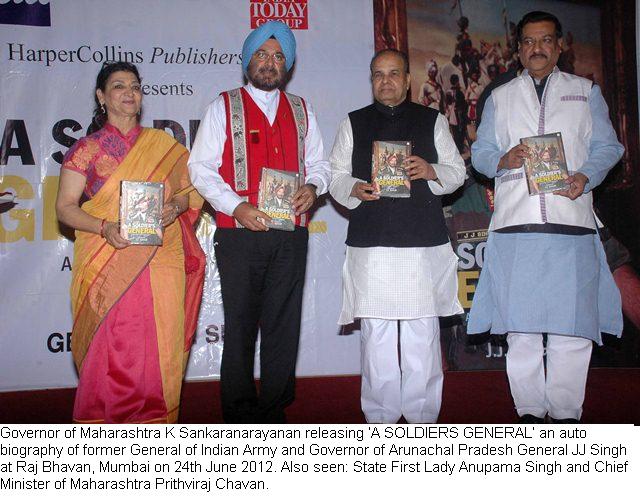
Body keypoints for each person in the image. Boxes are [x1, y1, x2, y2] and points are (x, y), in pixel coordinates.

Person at [468, 11, 624, 423]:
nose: (536, 48)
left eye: (545, 41)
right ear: (518, 49)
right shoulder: (499, 97)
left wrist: (585, 176)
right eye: (528, 42)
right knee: (520, 330)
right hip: (515, 226)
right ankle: (530, 415)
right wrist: (503, 158)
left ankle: (567, 416)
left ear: (559, 46)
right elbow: (481, 153)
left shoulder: (585, 91)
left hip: (570, 224)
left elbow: (609, 148)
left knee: (571, 329)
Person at [188, 21, 331, 423]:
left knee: (283, 325)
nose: (269, 62)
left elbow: (320, 164)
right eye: (262, 54)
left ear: (288, 65)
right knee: (241, 325)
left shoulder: (303, 109)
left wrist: (314, 187)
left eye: (278, 56)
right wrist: (236, 207)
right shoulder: (223, 105)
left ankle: (273, 410)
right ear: (248, 60)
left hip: (290, 236)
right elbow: (200, 169)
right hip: (239, 235)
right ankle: (237, 413)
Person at [56, 61, 205, 424]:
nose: (129, 93)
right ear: (101, 96)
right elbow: (64, 208)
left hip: (160, 261)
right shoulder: (86, 150)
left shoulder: (163, 146)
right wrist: (104, 226)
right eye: (119, 86)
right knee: (113, 349)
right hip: (108, 259)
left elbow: (189, 193)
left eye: (135, 86)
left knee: (159, 346)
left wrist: (175, 206)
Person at [329, 49, 465, 423]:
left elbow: (457, 172)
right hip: (372, 246)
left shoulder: (433, 121)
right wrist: (354, 188)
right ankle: (382, 421)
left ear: (407, 80)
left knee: (422, 335)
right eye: (378, 74)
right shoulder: (352, 123)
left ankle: (423, 420)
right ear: (371, 79)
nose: (385, 81)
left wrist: (431, 169)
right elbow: (335, 175)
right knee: (377, 338)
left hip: (422, 244)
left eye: (393, 74)